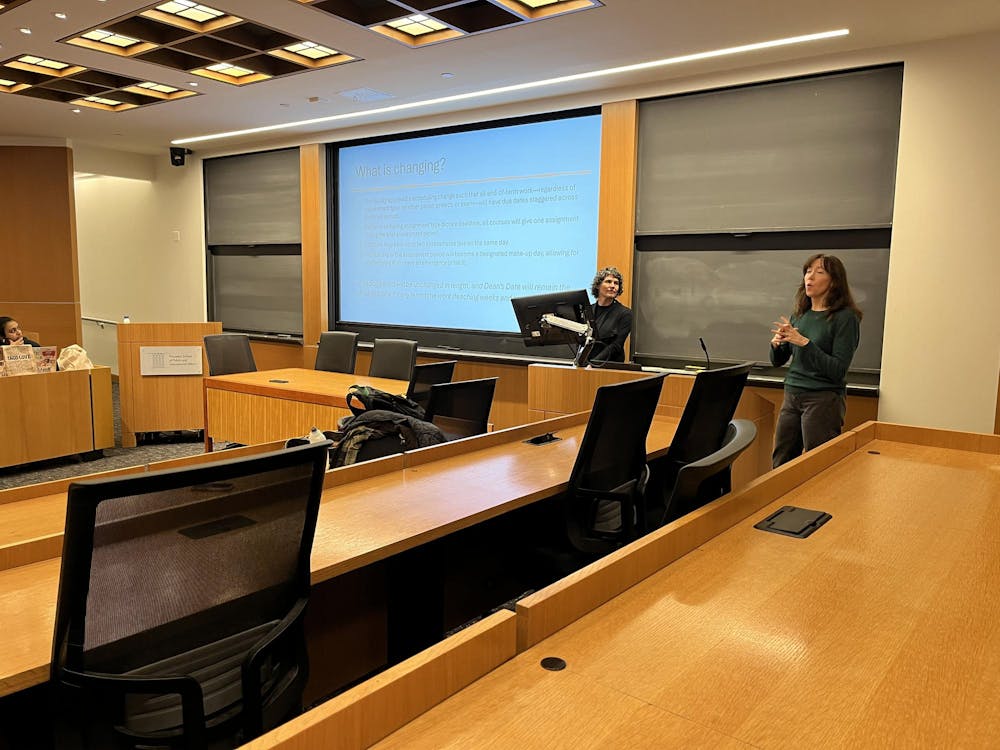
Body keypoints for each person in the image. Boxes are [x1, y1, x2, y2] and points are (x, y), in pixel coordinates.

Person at [769, 254, 862, 468]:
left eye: (819, 272)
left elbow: (838, 370)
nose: (810, 277)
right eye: (808, 271)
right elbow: (777, 361)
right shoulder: (800, 315)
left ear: (834, 281)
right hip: (792, 394)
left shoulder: (845, 318)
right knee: (781, 461)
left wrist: (805, 343)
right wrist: (777, 345)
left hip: (822, 399)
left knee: (818, 464)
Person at [587, 266, 632, 364]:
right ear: (598, 285)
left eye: (616, 283)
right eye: (608, 281)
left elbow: (616, 345)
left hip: (610, 366)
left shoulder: (625, 314)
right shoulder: (588, 310)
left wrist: (594, 364)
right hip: (586, 364)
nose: (613, 286)